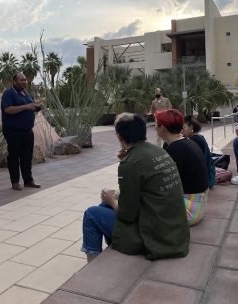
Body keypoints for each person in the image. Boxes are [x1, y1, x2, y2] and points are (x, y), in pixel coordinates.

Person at [82, 113, 189, 262]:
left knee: (92, 214)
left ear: (119, 137)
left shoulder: (130, 163)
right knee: (103, 206)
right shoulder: (159, 151)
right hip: (174, 230)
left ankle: (92, 267)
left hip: (157, 238)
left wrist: (112, 200)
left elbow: (127, 215)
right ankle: (110, 250)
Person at [156, 109, 209, 226]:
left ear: (163, 128)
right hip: (199, 204)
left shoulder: (175, 149)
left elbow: (159, 183)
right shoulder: (186, 142)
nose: (155, 128)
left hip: (189, 210)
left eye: (156, 125)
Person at [1, 73, 41, 191]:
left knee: (27, 156)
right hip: (13, 131)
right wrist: (26, 106)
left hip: (27, 130)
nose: (24, 82)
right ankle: (15, 182)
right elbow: (7, 109)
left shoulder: (26, 93)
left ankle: (28, 180)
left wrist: (35, 107)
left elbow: (29, 107)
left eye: (25, 80)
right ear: (14, 81)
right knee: (14, 156)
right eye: (21, 80)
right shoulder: (9, 93)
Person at [182, 115, 215, 189]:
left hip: (205, 181)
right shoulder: (199, 137)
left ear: (191, 127)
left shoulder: (195, 140)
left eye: (183, 128)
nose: (181, 131)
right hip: (207, 177)